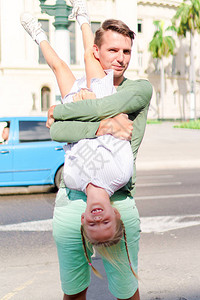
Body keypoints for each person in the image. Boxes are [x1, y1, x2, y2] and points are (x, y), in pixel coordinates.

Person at [21, 1, 152, 299]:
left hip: (113, 193)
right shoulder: (100, 81)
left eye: (127, 52)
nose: (120, 59)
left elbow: (62, 128)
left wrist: (65, 110)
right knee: (73, 288)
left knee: (126, 287)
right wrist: (102, 125)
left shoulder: (138, 88)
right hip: (83, 194)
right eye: (112, 51)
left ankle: (44, 33)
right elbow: (62, 131)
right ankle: (79, 20)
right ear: (99, 50)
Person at [20, 5, 134, 245]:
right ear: (115, 213)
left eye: (93, 225)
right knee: (88, 56)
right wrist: (91, 106)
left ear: (83, 219)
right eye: (106, 222)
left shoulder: (71, 181)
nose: (98, 219)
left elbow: (68, 141)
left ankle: (37, 34)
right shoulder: (120, 176)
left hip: (78, 111)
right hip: (99, 102)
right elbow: (118, 131)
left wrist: (71, 112)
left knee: (58, 67)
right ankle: (82, 15)